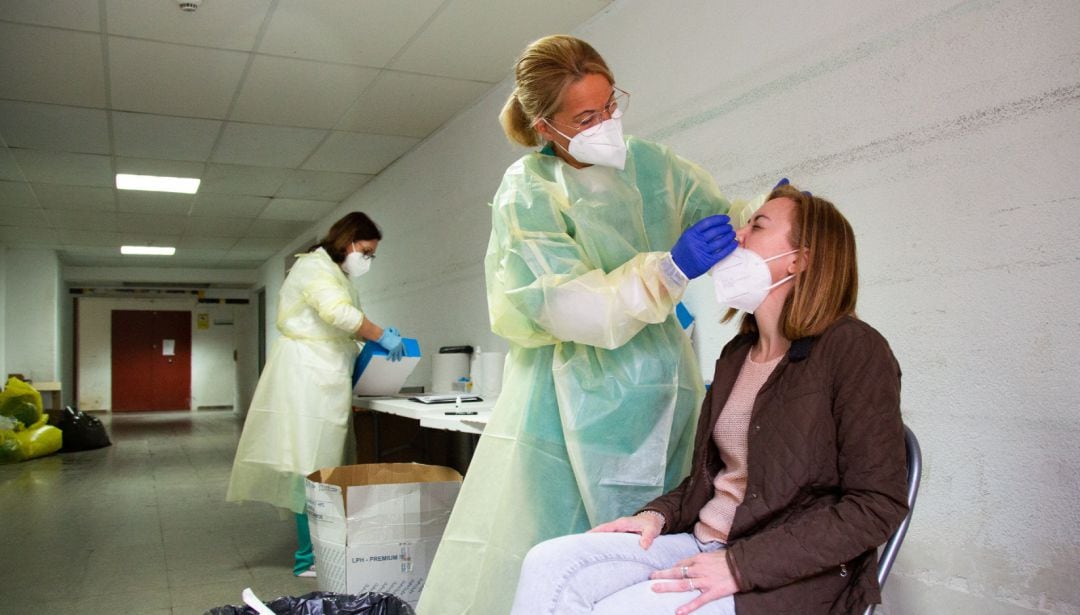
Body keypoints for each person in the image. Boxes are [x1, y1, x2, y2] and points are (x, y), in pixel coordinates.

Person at [418, 35, 758, 614]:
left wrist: (762, 220)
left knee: (654, 537)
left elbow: (724, 218)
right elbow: (558, 302)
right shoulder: (528, 190)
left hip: (662, 390)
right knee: (563, 547)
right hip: (568, 402)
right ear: (547, 127)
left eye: (611, 107)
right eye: (586, 116)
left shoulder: (655, 166)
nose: (607, 124)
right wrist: (668, 271)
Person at [510, 182, 909, 615]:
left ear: (801, 258)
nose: (737, 236)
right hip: (703, 542)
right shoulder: (738, 355)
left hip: (784, 574)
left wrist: (740, 566)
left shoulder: (854, 349)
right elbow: (707, 481)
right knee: (547, 564)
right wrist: (656, 517)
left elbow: (877, 505)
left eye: (756, 225)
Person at [226, 212, 408, 578]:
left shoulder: (335, 274)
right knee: (308, 464)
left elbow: (341, 321)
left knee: (324, 463)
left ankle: (324, 543)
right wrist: (376, 333)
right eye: (367, 251)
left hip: (325, 378)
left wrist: (369, 337)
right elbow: (337, 313)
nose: (368, 259)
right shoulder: (313, 267)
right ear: (349, 242)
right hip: (306, 378)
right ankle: (307, 557)